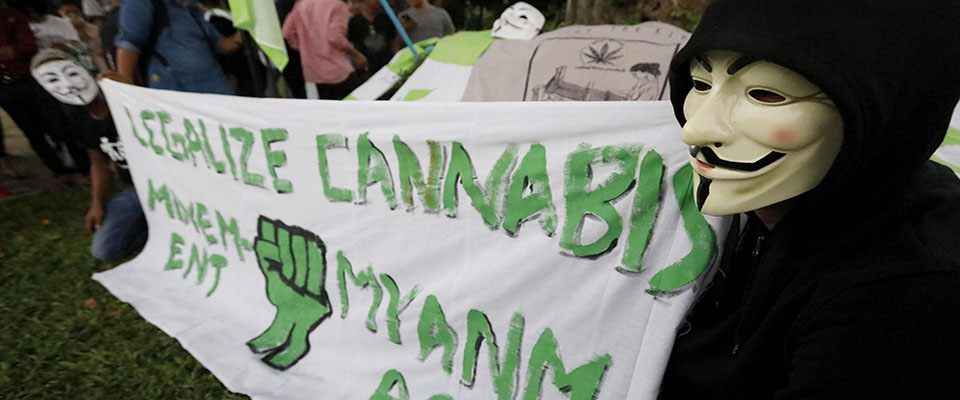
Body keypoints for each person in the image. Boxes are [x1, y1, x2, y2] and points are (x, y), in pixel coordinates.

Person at [658, 0, 960, 398]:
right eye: (699, 84)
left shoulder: (898, 294)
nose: (695, 130)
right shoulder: (774, 205)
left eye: (764, 95)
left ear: (886, 108)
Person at [31, 49, 147, 261]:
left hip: (171, 183)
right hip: (136, 191)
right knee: (104, 250)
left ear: (85, 68)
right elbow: (99, 164)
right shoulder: (78, 119)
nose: (68, 84)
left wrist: (129, 90)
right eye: (53, 79)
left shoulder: (121, 93)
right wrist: (97, 203)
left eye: (72, 73)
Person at [0, 3, 82, 178]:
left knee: (59, 124)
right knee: (31, 131)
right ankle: (58, 171)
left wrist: (12, 52)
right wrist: (11, 52)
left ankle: (84, 167)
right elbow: (18, 49)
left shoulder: (12, 16)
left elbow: (28, 48)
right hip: (4, 86)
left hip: (29, 78)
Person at [111, 0, 242, 94]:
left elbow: (218, 44)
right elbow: (129, 43)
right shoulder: (141, 3)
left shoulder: (191, 7)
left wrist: (240, 38)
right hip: (179, 94)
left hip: (216, 89)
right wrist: (125, 81)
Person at [282, 0, 368, 100]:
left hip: (314, 70)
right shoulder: (338, 5)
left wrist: (303, 47)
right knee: (358, 104)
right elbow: (335, 37)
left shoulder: (301, 5)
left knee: (328, 109)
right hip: (337, 68)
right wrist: (355, 54)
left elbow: (287, 33)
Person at [347, 0, 396, 78]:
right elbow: (354, 45)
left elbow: (393, 40)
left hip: (389, 63)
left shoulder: (384, 18)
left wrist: (395, 59)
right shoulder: (354, 23)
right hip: (370, 69)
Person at [58, 0, 110, 73]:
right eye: (67, 13)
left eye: (74, 12)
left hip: (98, 65)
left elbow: (99, 50)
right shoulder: (62, 32)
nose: (72, 15)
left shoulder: (93, 28)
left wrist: (82, 33)